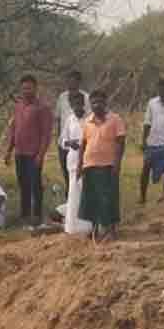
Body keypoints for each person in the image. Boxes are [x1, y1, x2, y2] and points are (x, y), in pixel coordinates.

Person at [2, 75, 53, 228]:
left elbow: (46, 134)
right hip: (20, 152)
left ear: (36, 88)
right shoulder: (18, 105)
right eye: (24, 88)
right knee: (23, 184)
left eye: (29, 88)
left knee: (35, 184)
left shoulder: (42, 108)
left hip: (34, 154)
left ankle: (37, 215)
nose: (26, 91)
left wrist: (41, 154)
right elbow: (14, 129)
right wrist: (9, 151)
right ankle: (24, 214)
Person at [76, 89, 127, 242]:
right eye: (94, 102)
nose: (97, 105)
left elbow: (120, 143)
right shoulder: (87, 122)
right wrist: (79, 166)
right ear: (90, 104)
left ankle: (111, 230)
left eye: (100, 102)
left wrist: (117, 163)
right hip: (89, 165)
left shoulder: (115, 119)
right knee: (91, 198)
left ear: (106, 103)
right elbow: (83, 144)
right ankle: (94, 229)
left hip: (108, 166)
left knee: (108, 198)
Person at [56, 92, 93, 235]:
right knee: (74, 193)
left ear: (83, 104)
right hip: (72, 161)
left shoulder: (90, 119)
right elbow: (62, 140)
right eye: (74, 104)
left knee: (86, 191)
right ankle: (73, 226)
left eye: (79, 104)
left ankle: (89, 225)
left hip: (88, 160)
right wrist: (69, 143)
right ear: (71, 105)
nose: (77, 107)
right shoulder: (70, 119)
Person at [54, 70, 90, 189]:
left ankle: (81, 198)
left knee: (81, 172)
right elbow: (58, 119)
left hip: (81, 142)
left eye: (74, 81)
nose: (71, 83)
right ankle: (69, 197)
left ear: (79, 82)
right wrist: (59, 139)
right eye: (69, 80)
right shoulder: (62, 97)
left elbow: (89, 119)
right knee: (66, 171)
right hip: (64, 141)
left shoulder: (86, 97)